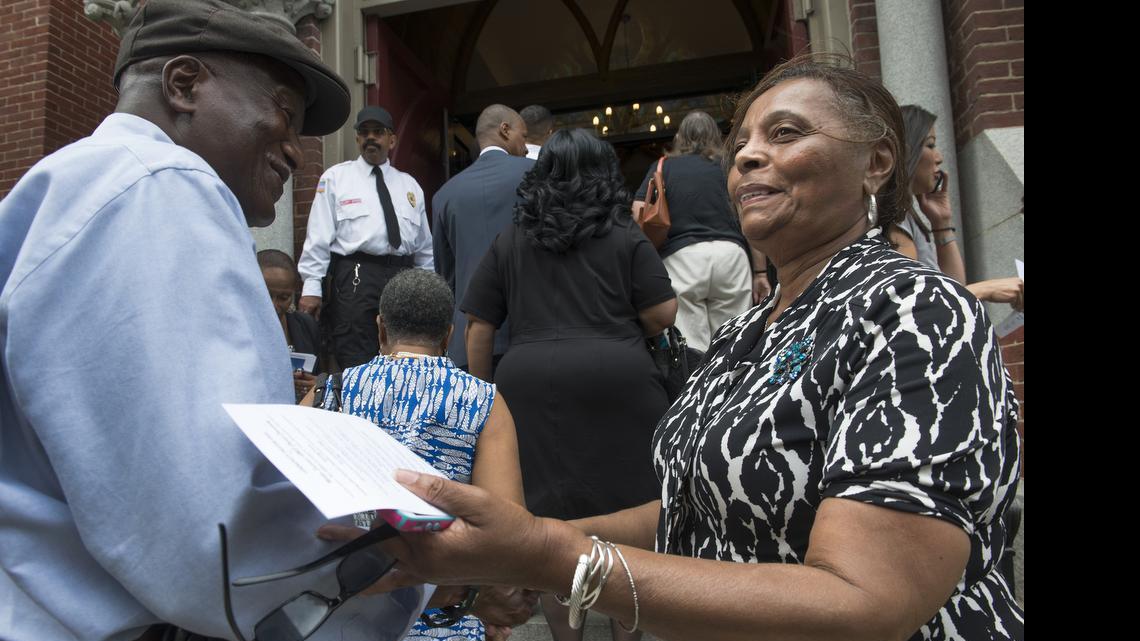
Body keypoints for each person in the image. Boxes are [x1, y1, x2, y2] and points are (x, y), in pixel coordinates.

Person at [371, 54, 1024, 641]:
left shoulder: (915, 309)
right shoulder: (744, 331)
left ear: (877, 162)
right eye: (740, 143)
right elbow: (694, 509)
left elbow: (864, 601)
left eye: (785, 133)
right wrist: (513, 548)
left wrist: (555, 556)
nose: (744, 156)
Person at [0, 1, 430, 639]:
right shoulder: (162, 186)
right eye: (285, 111)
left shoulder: (82, 182)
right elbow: (207, 533)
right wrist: (414, 560)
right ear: (183, 85)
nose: (294, 146)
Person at [460, 128, 678, 641]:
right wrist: (622, 329)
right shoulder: (624, 232)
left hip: (531, 387)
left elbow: (478, 325)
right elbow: (663, 312)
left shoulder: (512, 238)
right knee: (631, 521)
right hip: (619, 381)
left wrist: (482, 399)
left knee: (547, 525)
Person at [312, 268, 534, 641]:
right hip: (449, 620)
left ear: (381, 329)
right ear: (448, 335)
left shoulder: (331, 392)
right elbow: (506, 532)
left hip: (341, 612)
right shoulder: (485, 402)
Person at [298, 105, 434, 370]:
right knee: (355, 354)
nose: (371, 137)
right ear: (358, 138)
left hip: (403, 277)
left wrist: (428, 290)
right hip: (356, 277)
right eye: (364, 132)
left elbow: (424, 248)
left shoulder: (410, 186)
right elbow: (318, 236)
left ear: (391, 140)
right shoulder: (337, 178)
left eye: (378, 132)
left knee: (405, 353)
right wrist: (311, 287)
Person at [632, 110, 758, 352]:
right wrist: (761, 270)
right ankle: (731, 387)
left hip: (682, 257)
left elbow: (638, 210)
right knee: (734, 339)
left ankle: (696, 387)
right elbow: (750, 213)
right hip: (731, 255)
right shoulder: (731, 167)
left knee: (690, 345)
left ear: (680, 136)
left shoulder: (662, 166)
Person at [889, 104, 1024, 312]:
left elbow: (954, 288)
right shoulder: (893, 221)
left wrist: (941, 221)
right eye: (930, 145)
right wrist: (985, 289)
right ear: (907, 150)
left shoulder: (907, 218)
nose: (939, 157)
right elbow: (913, 305)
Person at [431, 104, 532, 374]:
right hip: (529, 333)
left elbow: (445, 277)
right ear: (505, 130)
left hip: (468, 341)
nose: (525, 147)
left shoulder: (445, 194)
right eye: (524, 137)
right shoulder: (535, 174)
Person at [258, 249, 322, 400]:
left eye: (283, 297)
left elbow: (319, 376)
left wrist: (316, 385)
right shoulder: (237, 330)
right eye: (266, 295)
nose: (273, 305)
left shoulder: (306, 325)